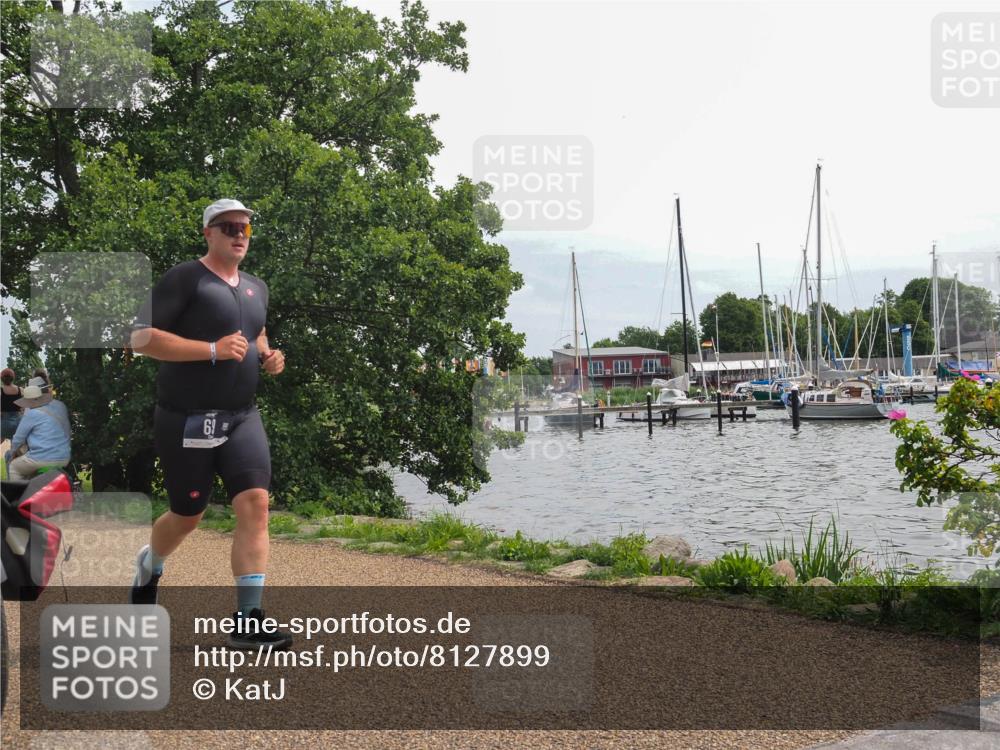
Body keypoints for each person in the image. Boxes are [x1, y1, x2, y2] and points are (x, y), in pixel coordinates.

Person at [129, 198, 290, 651]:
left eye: (246, 228)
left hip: (242, 416)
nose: (240, 234)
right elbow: (140, 337)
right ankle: (151, 564)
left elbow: (256, 334)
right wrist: (213, 350)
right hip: (186, 418)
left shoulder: (257, 286)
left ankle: (248, 619)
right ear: (209, 233)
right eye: (229, 227)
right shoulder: (186, 278)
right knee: (188, 515)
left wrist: (269, 356)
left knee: (256, 502)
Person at [6, 376, 72, 481]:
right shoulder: (60, 406)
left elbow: (18, 438)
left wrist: (13, 452)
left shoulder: (32, 413)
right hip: (64, 457)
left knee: (13, 467)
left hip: (43, 458)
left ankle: (20, 495)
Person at [1, 368, 22, 440]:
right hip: (18, 421)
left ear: (2, 379)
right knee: (16, 445)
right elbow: (24, 408)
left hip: (4, 421)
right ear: (13, 378)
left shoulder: (1, 391)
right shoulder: (20, 390)